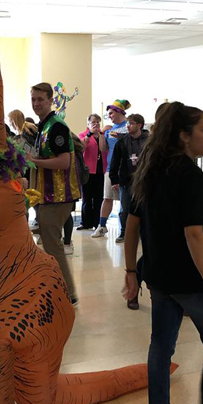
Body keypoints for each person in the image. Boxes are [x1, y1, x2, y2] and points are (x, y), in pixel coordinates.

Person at [121, 102, 203, 404]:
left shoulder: (150, 170)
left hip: (157, 276)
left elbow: (132, 226)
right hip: (189, 281)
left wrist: (130, 272)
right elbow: (195, 237)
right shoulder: (190, 175)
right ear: (184, 137)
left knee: (161, 344)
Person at [27, 82, 80, 305]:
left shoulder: (56, 126)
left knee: (53, 245)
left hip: (57, 196)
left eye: (40, 99)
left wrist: (33, 161)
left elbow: (64, 161)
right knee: (50, 244)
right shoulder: (44, 126)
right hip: (47, 195)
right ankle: (59, 288)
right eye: (33, 100)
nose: (36, 103)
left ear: (51, 100)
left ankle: (68, 293)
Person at [109, 114, 149, 309]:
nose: (130, 126)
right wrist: (115, 178)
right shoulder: (122, 142)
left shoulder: (149, 141)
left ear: (140, 125)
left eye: (132, 123)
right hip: (128, 183)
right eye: (129, 123)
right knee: (127, 211)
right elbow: (115, 161)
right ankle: (126, 232)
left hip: (147, 184)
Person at [94, 100, 130, 240]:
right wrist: (102, 134)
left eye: (111, 113)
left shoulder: (128, 126)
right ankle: (102, 226)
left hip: (126, 168)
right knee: (107, 197)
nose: (109, 116)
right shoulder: (109, 129)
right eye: (108, 113)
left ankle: (125, 229)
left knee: (125, 200)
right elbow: (103, 149)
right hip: (111, 168)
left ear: (119, 111)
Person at [77, 114, 108, 231]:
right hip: (88, 171)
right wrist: (89, 134)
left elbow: (103, 149)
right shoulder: (83, 135)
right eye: (93, 122)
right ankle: (86, 222)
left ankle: (97, 222)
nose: (96, 124)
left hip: (100, 170)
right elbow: (81, 147)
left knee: (99, 197)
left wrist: (100, 135)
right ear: (88, 124)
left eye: (98, 122)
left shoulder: (102, 135)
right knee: (87, 198)